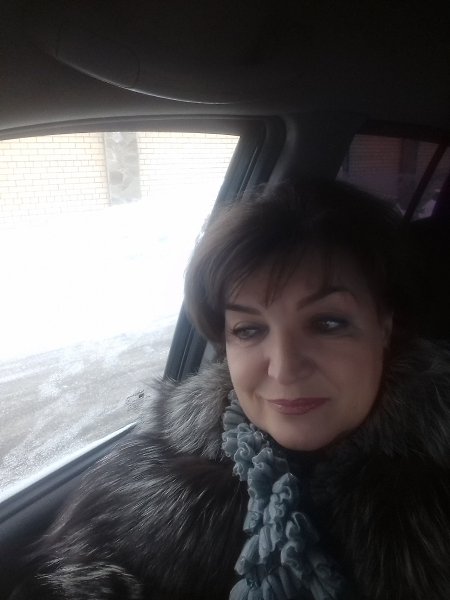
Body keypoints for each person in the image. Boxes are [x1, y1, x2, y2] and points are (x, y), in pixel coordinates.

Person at [10, 181, 450, 600]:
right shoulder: (148, 490)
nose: (284, 369)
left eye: (327, 323)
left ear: (384, 327)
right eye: (249, 329)